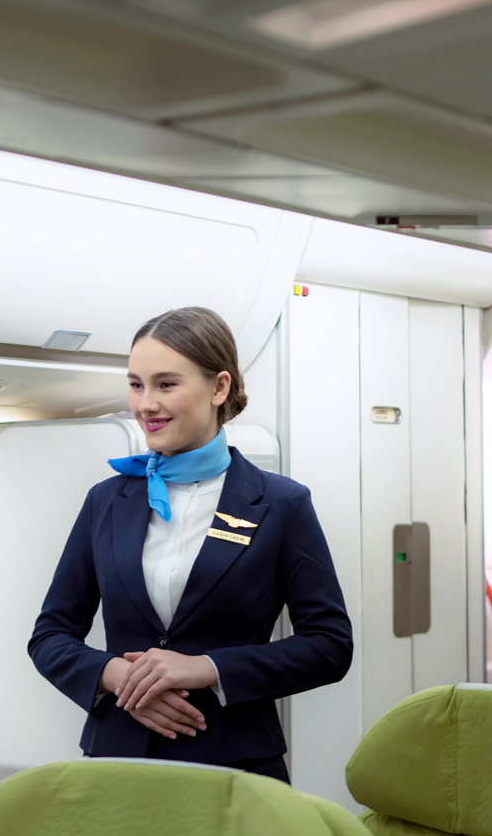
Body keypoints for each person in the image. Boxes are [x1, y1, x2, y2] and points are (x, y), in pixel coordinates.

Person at [28, 306, 352, 784]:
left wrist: (206, 668)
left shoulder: (280, 504)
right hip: (120, 757)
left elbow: (329, 646)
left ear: (219, 387)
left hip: (234, 762)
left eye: (166, 384)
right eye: (136, 385)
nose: (145, 404)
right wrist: (119, 679)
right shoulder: (107, 500)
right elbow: (50, 636)